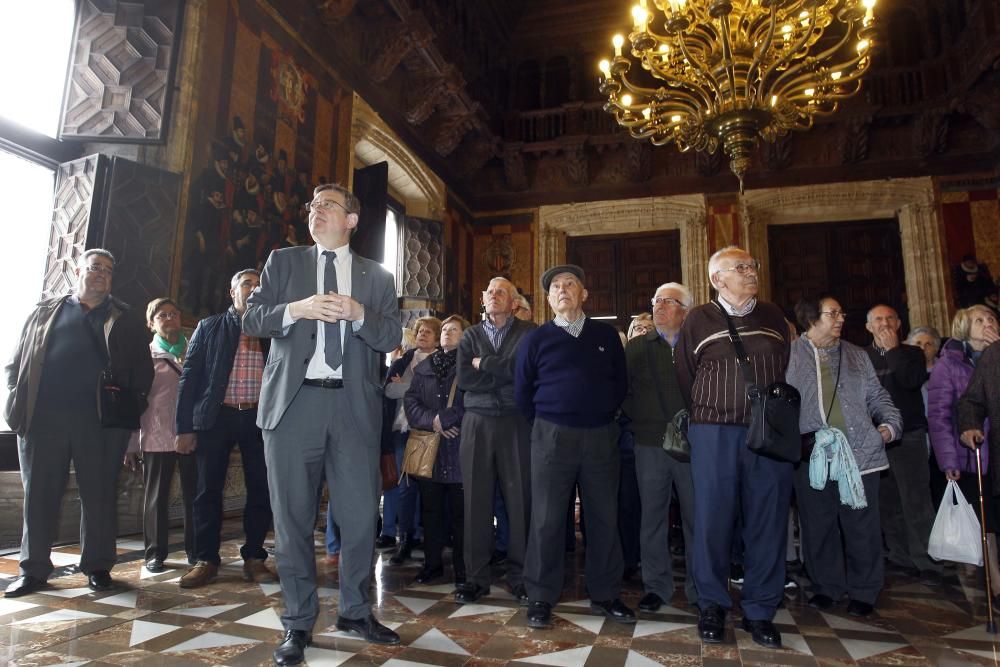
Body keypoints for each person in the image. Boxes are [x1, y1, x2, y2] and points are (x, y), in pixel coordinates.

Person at [243, 182, 402, 665]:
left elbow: (392, 333)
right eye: (312, 205)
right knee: (292, 520)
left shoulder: (376, 276)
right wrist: (297, 309)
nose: (316, 211)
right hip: (293, 408)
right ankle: (297, 622)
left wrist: (359, 314)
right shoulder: (283, 262)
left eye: (328, 205)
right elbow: (250, 319)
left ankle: (356, 610)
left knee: (358, 519)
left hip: (353, 409)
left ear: (352, 220)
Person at [4, 249, 153, 597]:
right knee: (39, 496)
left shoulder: (124, 317)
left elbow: (143, 371)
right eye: (95, 267)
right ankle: (34, 569)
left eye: (108, 270)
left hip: (100, 423)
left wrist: (131, 406)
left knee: (99, 495)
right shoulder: (45, 312)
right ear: (77, 271)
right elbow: (16, 361)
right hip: (44, 420)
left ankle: (98, 566)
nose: (101, 274)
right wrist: (15, 395)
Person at [676, 246, 792, 649]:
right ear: (717, 279)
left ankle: (760, 610)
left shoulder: (774, 316)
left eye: (752, 265)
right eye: (740, 267)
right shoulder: (698, 319)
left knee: (768, 520)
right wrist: (713, 412)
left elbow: (784, 367)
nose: (751, 271)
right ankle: (712, 605)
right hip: (713, 433)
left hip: (769, 434)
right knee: (712, 521)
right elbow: (685, 375)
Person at [516, 264, 633, 629]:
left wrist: (600, 413)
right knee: (547, 519)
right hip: (552, 436)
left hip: (600, 436)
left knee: (603, 516)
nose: (562, 290)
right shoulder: (535, 339)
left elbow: (620, 383)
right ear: (548, 300)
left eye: (570, 284)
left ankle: (606, 592)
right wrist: (549, 422)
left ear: (584, 294)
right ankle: (540, 596)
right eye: (554, 287)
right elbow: (522, 392)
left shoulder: (605, 335)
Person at [786, 295, 901, 617]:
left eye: (841, 313)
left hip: (861, 454)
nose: (840, 318)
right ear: (811, 318)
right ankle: (826, 586)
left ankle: (865, 590)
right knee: (817, 525)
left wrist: (890, 427)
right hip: (812, 456)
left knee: (861, 526)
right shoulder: (789, 355)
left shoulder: (855, 355)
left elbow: (878, 396)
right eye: (832, 313)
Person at [175, 269, 276, 589]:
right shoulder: (209, 327)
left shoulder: (273, 331)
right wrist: (184, 427)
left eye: (259, 284)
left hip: (260, 419)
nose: (253, 288)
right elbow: (189, 378)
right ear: (232, 292)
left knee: (262, 488)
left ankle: (255, 557)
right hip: (216, 417)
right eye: (247, 283)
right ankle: (205, 559)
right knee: (207, 490)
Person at [455, 277, 536, 604]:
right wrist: (503, 374)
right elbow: (465, 378)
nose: (494, 296)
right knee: (475, 501)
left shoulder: (530, 333)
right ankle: (476, 577)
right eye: (489, 291)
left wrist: (485, 365)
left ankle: (522, 576)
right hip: (477, 421)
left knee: (520, 503)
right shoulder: (470, 335)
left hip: (517, 421)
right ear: (482, 298)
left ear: (514, 302)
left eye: (502, 292)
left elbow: (525, 374)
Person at [623, 282, 698, 612]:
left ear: (685, 310)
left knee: (697, 517)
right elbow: (621, 391)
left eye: (668, 301)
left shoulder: (698, 347)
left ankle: (701, 588)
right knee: (652, 518)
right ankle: (656, 586)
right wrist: (641, 419)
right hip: (649, 444)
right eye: (655, 301)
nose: (658, 306)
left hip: (695, 446)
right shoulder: (638, 348)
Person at [864, 304, 943, 584]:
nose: (884, 324)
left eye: (889, 319)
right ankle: (899, 555)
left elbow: (911, 381)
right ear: (868, 326)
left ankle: (926, 558)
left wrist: (895, 350)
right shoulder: (862, 357)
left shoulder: (912, 354)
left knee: (916, 499)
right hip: (876, 439)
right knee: (888, 501)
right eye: (878, 320)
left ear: (898, 324)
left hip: (908, 435)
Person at [929, 306, 1000, 597]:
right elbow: (940, 413)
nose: (988, 324)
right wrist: (948, 459)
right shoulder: (950, 364)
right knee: (987, 520)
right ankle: (995, 580)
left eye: (992, 318)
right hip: (973, 454)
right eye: (979, 321)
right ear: (963, 328)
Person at [127, 298, 196, 572]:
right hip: (156, 434)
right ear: (151, 323)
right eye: (162, 315)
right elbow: (134, 401)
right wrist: (131, 443)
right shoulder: (145, 357)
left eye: (174, 314)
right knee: (156, 497)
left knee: (195, 495)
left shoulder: (195, 351)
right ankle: (155, 554)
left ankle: (196, 550)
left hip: (191, 434)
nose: (169, 319)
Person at [404, 314, 471, 585]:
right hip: (431, 451)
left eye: (453, 329)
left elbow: (473, 400)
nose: (446, 332)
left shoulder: (470, 365)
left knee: (461, 515)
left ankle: (464, 570)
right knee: (430, 512)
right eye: (444, 329)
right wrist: (433, 421)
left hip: (461, 449)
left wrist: (447, 420)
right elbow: (411, 401)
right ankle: (432, 565)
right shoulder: (425, 367)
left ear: (464, 336)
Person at [383, 316, 441, 565]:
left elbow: (435, 394)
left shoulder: (441, 360)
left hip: (428, 432)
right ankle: (405, 538)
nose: (422, 335)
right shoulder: (405, 358)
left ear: (437, 337)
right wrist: (414, 387)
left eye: (428, 332)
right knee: (405, 487)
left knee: (430, 489)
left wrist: (406, 385)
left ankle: (429, 538)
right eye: (419, 331)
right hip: (401, 431)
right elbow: (388, 389)